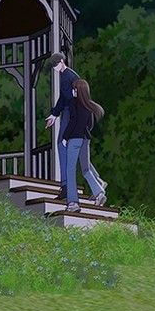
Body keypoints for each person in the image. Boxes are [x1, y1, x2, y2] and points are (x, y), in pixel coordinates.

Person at [44, 52, 107, 200]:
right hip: (71, 113)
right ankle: (97, 182)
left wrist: (57, 115)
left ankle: (66, 186)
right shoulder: (66, 75)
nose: (54, 68)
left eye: (55, 65)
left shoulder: (69, 76)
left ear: (61, 61)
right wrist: (54, 114)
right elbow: (63, 98)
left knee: (62, 145)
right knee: (77, 152)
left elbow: (68, 99)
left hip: (71, 112)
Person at [61, 78, 107, 213]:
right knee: (86, 169)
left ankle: (73, 203)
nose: (73, 91)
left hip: (74, 139)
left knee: (70, 170)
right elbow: (90, 125)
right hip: (85, 139)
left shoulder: (73, 103)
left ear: (77, 90)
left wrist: (65, 137)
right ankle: (99, 193)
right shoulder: (89, 106)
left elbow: (72, 122)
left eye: (74, 89)